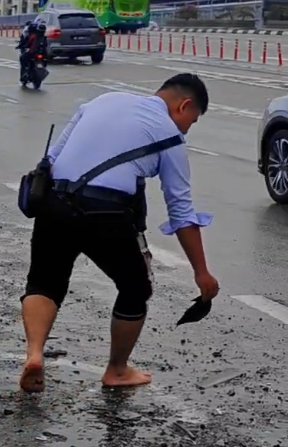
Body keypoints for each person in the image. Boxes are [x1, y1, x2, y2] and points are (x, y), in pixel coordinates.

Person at [18, 73, 220, 393]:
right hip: (106, 213)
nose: (186, 129)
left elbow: (52, 159)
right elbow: (181, 214)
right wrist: (202, 273)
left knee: (44, 281)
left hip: (55, 201)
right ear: (185, 105)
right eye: (191, 121)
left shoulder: (103, 100)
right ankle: (117, 370)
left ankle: (33, 355)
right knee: (135, 288)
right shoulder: (170, 137)